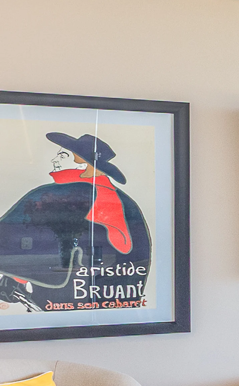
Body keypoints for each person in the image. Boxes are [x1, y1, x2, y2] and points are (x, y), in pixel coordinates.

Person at [0, 132, 153, 313]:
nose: (54, 161)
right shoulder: (108, 194)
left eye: (63, 155)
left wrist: (17, 279)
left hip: (71, 295)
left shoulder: (78, 193)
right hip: (103, 293)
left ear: (83, 163)